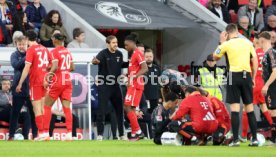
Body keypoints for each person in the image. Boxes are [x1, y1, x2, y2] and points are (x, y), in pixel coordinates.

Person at [213, 23, 259, 146]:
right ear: (237, 32)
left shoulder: (227, 44)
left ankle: (235, 140)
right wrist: (253, 77)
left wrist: (221, 42)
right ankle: (254, 139)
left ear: (227, 34)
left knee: (235, 109)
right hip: (247, 75)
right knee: (249, 108)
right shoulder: (248, 43)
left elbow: (214, 57)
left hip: (234, 76)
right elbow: (255, 61)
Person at [16, 30, 50, 140]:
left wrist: (20, 83)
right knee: (43, 108)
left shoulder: (31, 50)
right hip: (45, 81)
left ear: (27, 38)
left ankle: (41, 134)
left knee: (37, 109)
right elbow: (51, 65)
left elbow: (26, 68)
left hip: (35, 82)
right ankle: (45, 133)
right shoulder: (44, 48)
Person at [92, 35, 127, 141]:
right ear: (108, 44)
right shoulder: (103, 53)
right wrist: (95, 61)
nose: (116, 44)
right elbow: (95, 61)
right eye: (113, 43)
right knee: (101, 111)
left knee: (119, 111)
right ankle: (100, 135)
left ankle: (121, 134)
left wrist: (132, 63)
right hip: (104, 85)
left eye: (116, 42)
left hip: (116, 85)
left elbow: (121, 65)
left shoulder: (119, 54)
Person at [42, 33, 75, 140]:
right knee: (67, 109)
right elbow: (72, 67)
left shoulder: (54, 51)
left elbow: (55, 67)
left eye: (52, 38)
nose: (51, 40)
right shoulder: (67, 51)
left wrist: (48, 77)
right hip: (67, 81)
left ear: (55, 40)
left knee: (46, 106)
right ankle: (69, 133)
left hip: (58, 81)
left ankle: (46, 134)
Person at [241, 36, 273, 141]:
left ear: (258, 41)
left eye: (254, 39)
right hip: (263, 83)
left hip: (254, 83)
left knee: (246, 109)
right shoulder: (266, 53)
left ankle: (244, 136)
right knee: (265, 108)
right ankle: (273, 129)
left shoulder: (252, 53)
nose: (252, 41)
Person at [9, 35, 37, 140]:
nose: (22, 46)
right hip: (18, 88)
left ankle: (35, 135)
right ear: (16, 44)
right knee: (15, 113)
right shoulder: (14, 55)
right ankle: (11, 135)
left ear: (27, 44)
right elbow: (16, 65)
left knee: (33, 113)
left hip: (31, 87)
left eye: (24, 44)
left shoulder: (32, 54)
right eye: (19, 44)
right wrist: (27, 57)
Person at [124, 33, 148, 140]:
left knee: (127, 106)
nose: (125, 47)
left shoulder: (138, 53)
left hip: (136, 85)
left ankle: (138, 131)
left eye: (126, 45)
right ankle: (134, 133)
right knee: (132, 108)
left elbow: (145, 68)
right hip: (133, 84)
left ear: (132, 43)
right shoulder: (133, 54)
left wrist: (133, 78)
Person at [259, 31, 276, 144]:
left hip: (273, 86)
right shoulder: (267, 53)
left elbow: (275, 71)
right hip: (271, 86)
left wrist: (266, 85)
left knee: (273, 112)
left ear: (262, 40)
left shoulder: (271, 52)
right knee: (271, 111)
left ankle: (274, 138)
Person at [144, 49, 161, 113]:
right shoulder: (142, 68)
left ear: (153, 57)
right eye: (147, 57)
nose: (149, 58)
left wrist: (160, 96)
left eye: (150, 56)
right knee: (145, 113)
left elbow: (160, 82)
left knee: (154, 114)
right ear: (144, 57)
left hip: (155, 96)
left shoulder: (157, 68)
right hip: (144, 96)